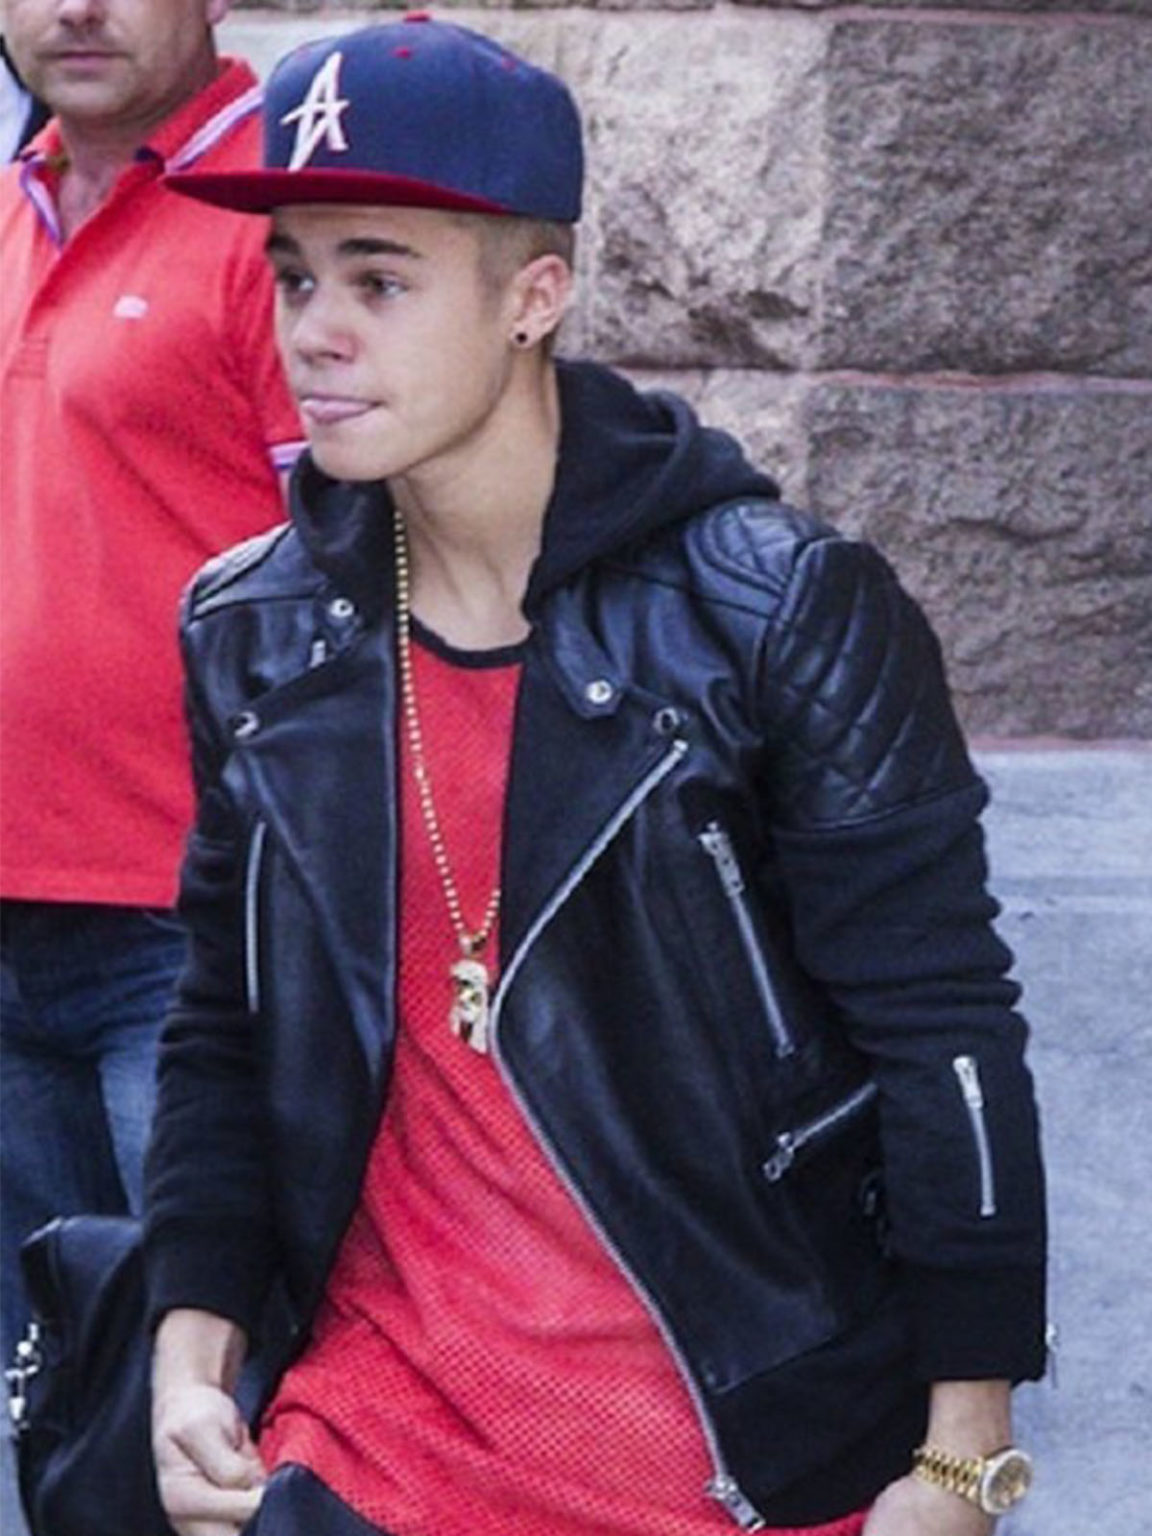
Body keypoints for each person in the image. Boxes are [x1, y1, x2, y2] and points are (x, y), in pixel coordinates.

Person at [144, 18, 1047, 1536]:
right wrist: (190, 1360)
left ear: (535, 296)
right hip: (368, 1446)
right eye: (295, 276)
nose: (315, 331)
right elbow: (221, 1031)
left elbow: (944, 1035)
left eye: (379, 280)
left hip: (741, 1447)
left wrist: (965, 1455)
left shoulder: (773, 614)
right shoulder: (259, 631)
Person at [0, 0, 303, 1394]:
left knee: (225, 1395)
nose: (77, 7)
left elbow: (361, 578)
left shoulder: (276, 219)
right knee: (49, 1398)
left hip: (192, 940)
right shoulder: (13, 203)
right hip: (13, 917)